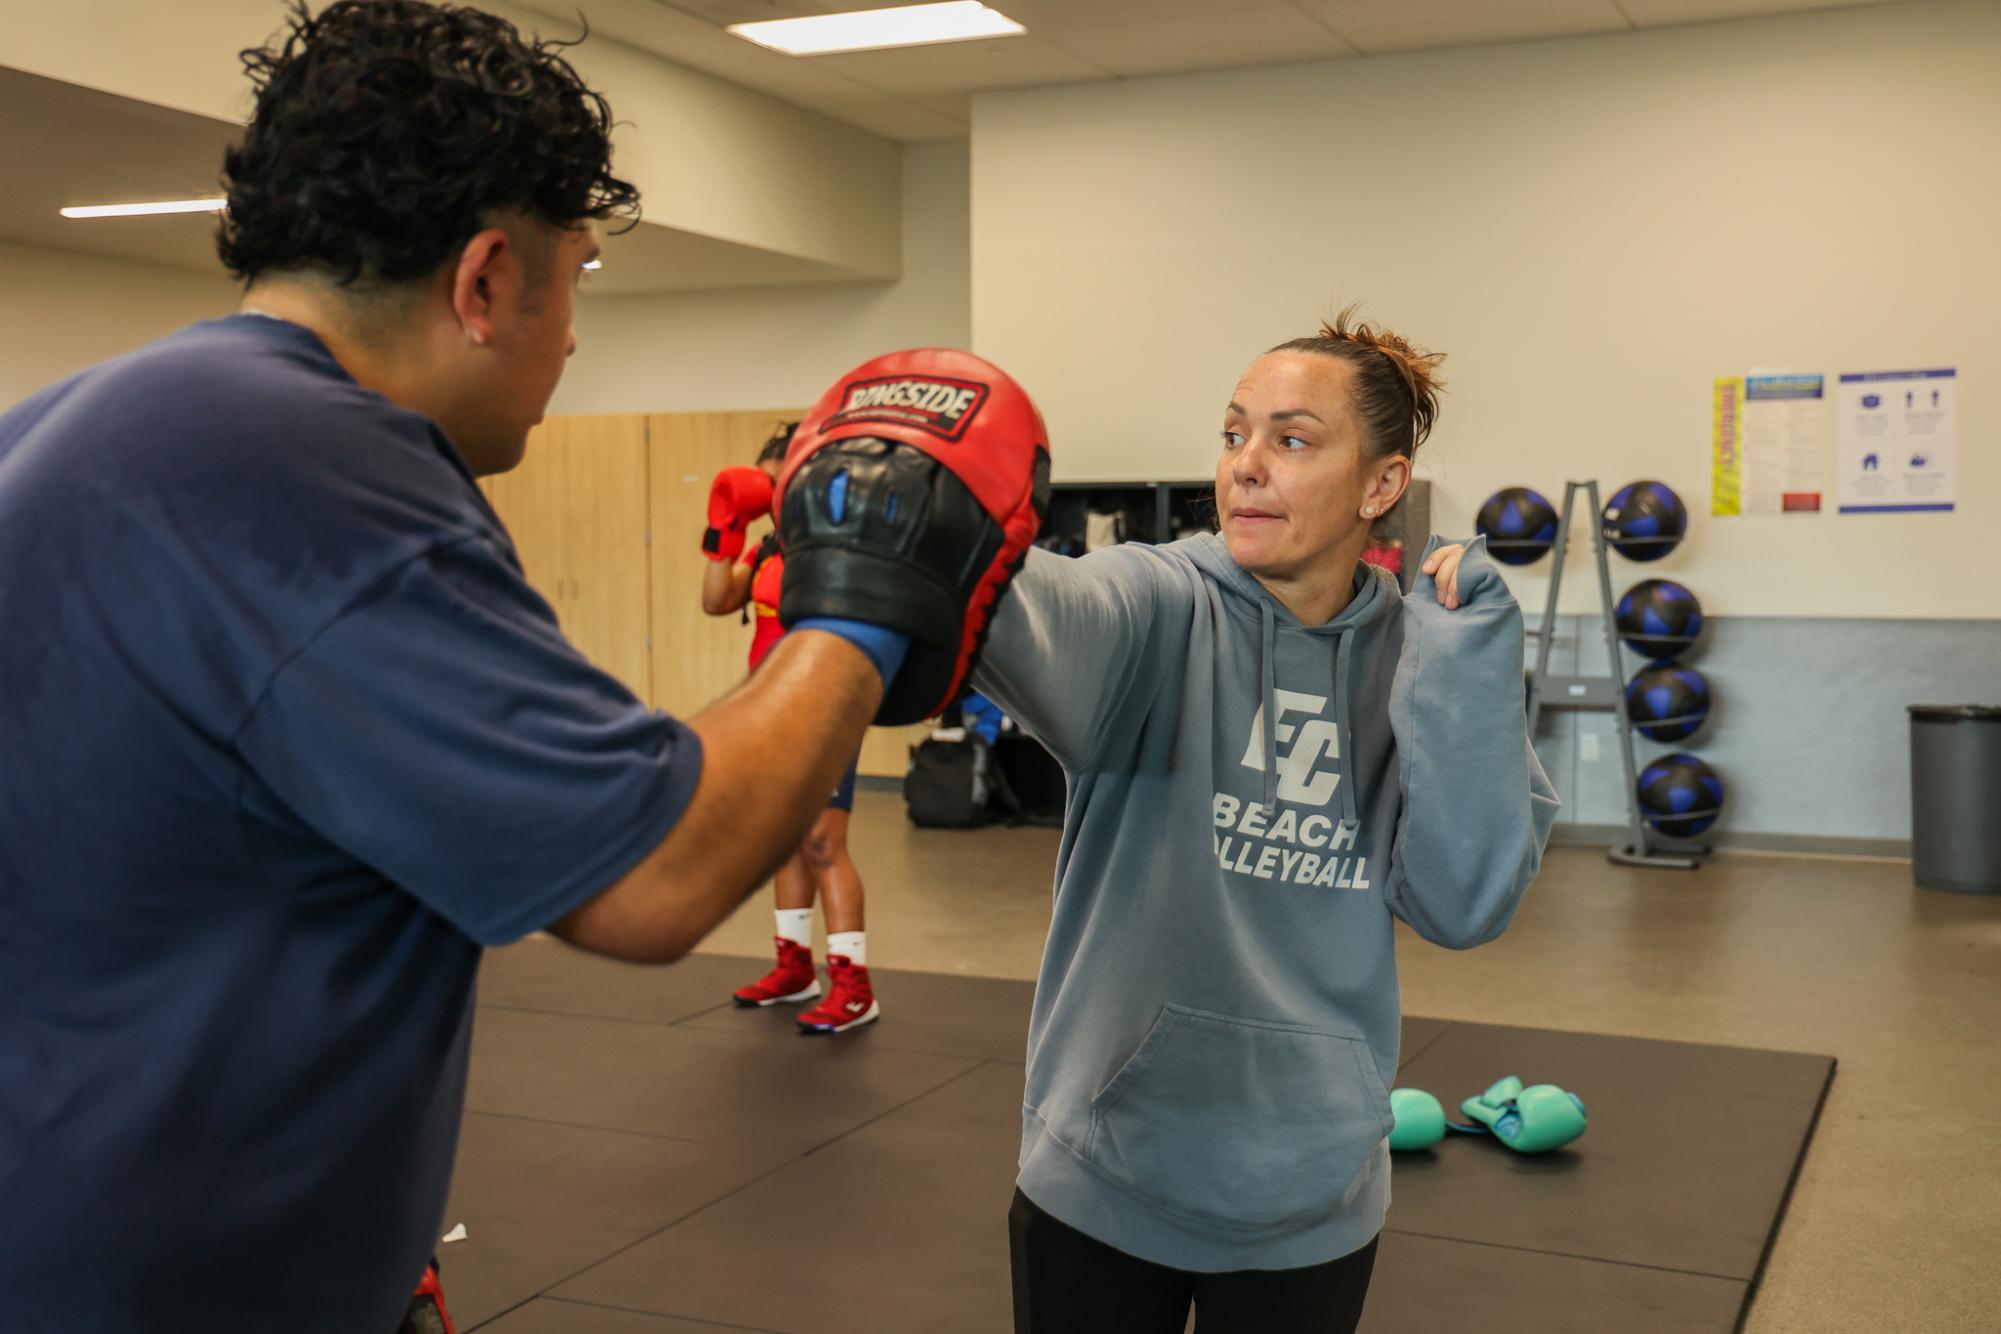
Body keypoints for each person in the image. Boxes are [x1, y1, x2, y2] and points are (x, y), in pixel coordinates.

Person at [0, 3, 1041, 1329]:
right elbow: (651, 878)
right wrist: (864, 600)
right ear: (488, 279)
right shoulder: (319, 467)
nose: (571, 336)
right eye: (578, 280)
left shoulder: (66, 427)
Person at [976, 310, 1561, 1333]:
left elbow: (1463, 900)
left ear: (1382, 485)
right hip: (1106, 1169)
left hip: (1313, 1190)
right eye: (1235, 432)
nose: (1246, 465)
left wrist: (1464, 674)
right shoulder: (1158, 601)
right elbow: (1043, 613)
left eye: (1291, 440)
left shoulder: (1417, 657)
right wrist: (962, 546)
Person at [700, 423, 880, 1033]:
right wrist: (725, 528)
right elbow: (716, 599)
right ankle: (794, 968)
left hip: (824, 706)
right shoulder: (769, 548)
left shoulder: (835, 546)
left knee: (825, 842)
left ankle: (854, 987)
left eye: (786, 484)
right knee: (786, 839)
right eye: (768, 486)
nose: (777, 494)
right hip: (769, 705)